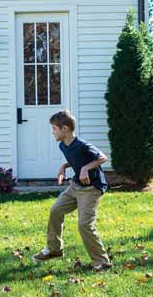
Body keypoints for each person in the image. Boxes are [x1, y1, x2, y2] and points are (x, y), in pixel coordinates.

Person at [32, 109, 112, 271]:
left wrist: (85, 169)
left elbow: (102, 157)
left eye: (54, 128)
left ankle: (102, 262)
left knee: (84, 225)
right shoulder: (63, 145)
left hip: (91, 188)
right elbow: (76, 159)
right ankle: (54, 249)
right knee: (55, 210)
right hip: (76, 186)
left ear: (65, 129)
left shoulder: (82, 145)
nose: (52, 132)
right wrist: (64, 166)